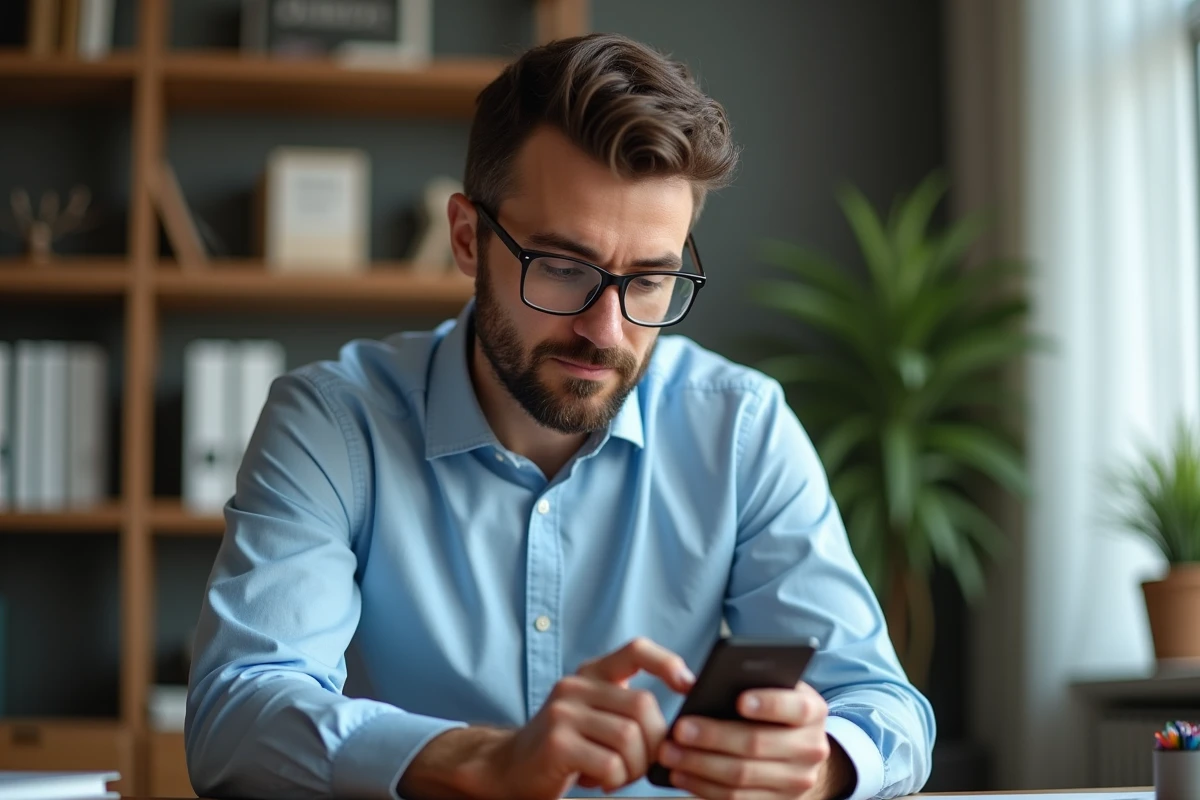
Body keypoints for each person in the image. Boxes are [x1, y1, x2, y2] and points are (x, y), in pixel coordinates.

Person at [185, 32, 935, 800]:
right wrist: (482, 761)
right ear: (468, 238)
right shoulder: (334, 422)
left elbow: (886, 711)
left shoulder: (740, 429)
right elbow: (236, 711)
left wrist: (821, 765)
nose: (606, 331)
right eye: (564, 268)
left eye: (648, 281)